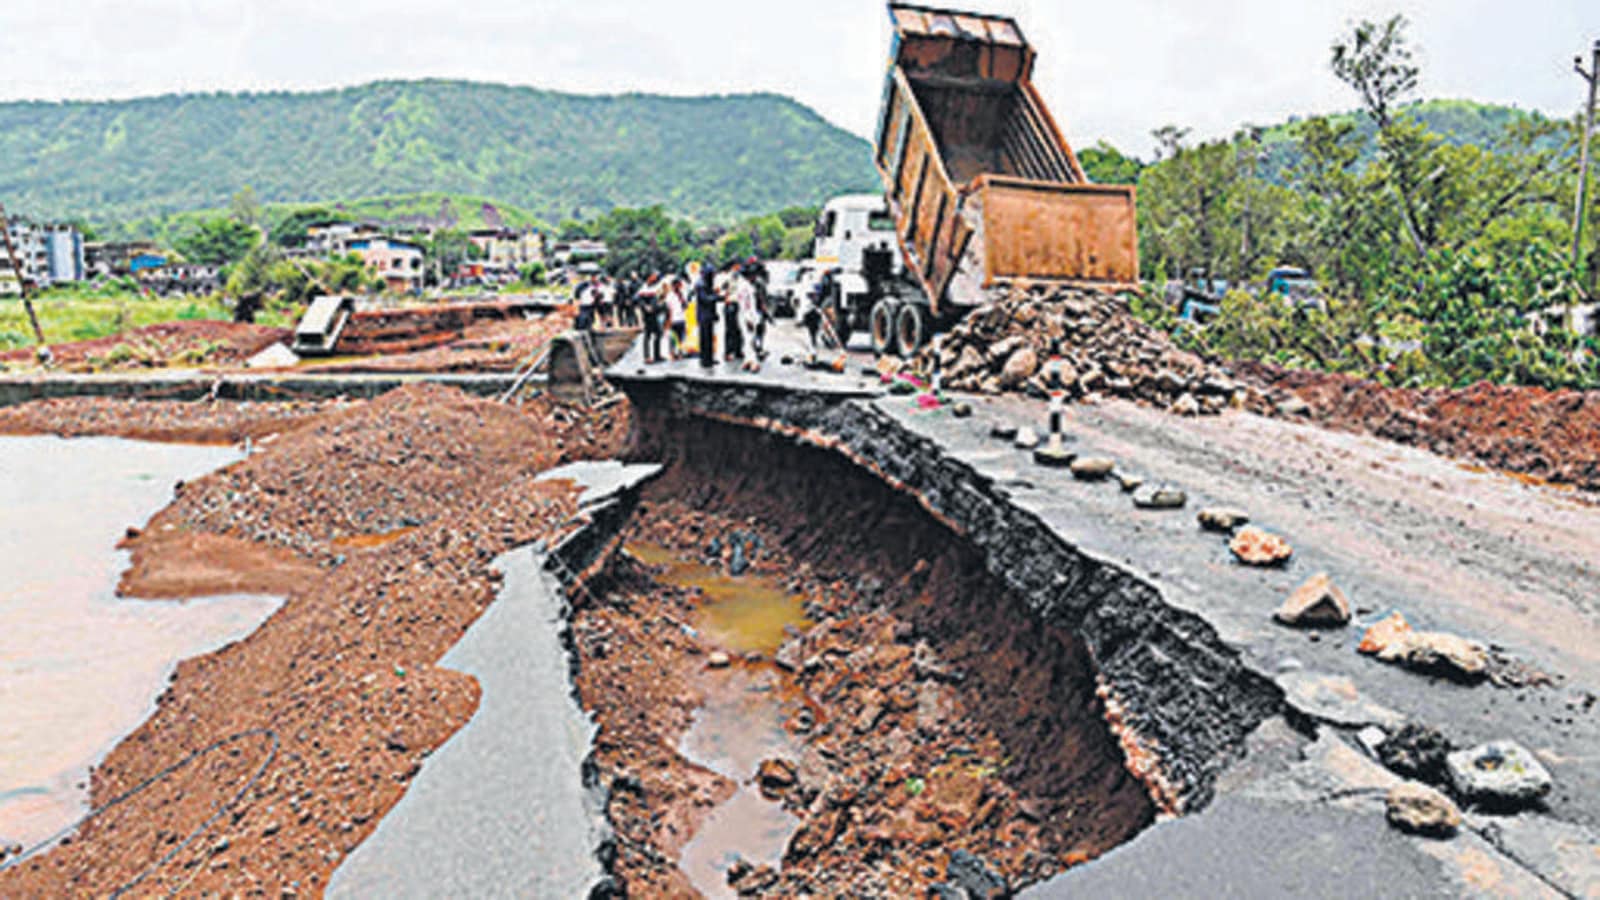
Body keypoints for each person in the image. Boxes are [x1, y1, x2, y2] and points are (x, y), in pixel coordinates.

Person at [734, 269, 762, 372]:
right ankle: (753, 362)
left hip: (746, 315)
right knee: (750, 340)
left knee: (747, 339)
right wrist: (748, 318)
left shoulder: (744, 286)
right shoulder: (745, 287)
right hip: (747, 316)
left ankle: (748, 360)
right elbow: (745, 305)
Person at [695, 264, 719, 369]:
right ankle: (704, 360)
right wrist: (718, 297)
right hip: (703, 315)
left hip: (708, 315)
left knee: (709, 338)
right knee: (704, 338)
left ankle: (709, 358)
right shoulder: (700, 284)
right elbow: (705, 299)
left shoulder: (707, 283)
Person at [721, 263, 743, 363]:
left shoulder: (740, 279)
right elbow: (721, 290)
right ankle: (728, 352)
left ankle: (737, 350)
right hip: (730, 304)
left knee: (737, 329)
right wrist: (725, 297)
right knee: (730, 329)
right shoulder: (727, 278)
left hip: (737, 304)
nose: (737, 269)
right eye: (736, 267)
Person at [639, 274, 664, 363]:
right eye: (653, 276)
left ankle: (657, 355)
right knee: (647, 335)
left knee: (658, 334)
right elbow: (639, 300)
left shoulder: (656, 287)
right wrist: (645, 307)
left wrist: (660, 306)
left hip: (655, 314)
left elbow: (659, 298)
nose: (654, 278)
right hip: (648, 315)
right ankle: (647, 356)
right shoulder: (643, 288)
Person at [664, 276, 687, 360]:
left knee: (681, 338)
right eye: (677, 284)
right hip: (673, 319)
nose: (679, 286)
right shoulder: (669, 296)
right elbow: (668, 309)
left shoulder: (682, 294)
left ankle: (680, 353)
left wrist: (683, 300)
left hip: (681, 318)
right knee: (673, 338)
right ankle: (672, 354)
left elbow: (685, 306)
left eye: (679, 285)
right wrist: (668, 321)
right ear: (673, 285)